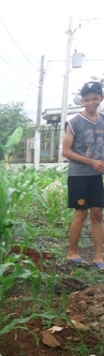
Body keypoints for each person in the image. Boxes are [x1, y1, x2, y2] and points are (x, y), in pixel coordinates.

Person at [61, 81, 104, 271]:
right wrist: (91, 162)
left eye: (95, 98)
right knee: (81, 213)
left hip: (96, 175)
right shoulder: (74, 122)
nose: (91, 102)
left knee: (97, 214)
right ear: (82, 100)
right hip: (78, 174)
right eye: (87, 99)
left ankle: (98, 257)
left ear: (101, 98)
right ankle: (72, 253)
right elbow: (66, 152)